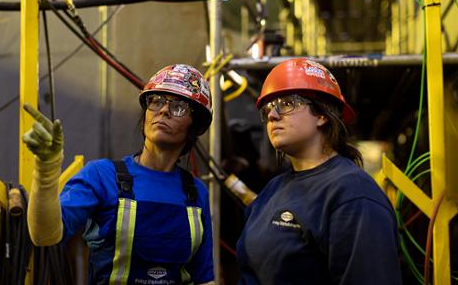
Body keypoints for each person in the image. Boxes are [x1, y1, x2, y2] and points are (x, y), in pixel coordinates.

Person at [22, 64, 215, 285]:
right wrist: (46, 170)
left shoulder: (196, 192)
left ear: (196, 125)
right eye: (156, 101)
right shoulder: (102, 177)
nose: (163, 110)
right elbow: (44, 235)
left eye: (179, 106)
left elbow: (203, 278)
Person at [236, 58, 402, 284]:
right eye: (268, 109)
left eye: (286, 104)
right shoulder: (272, 190)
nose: (272, 116)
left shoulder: (353, 196)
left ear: (322, 114)